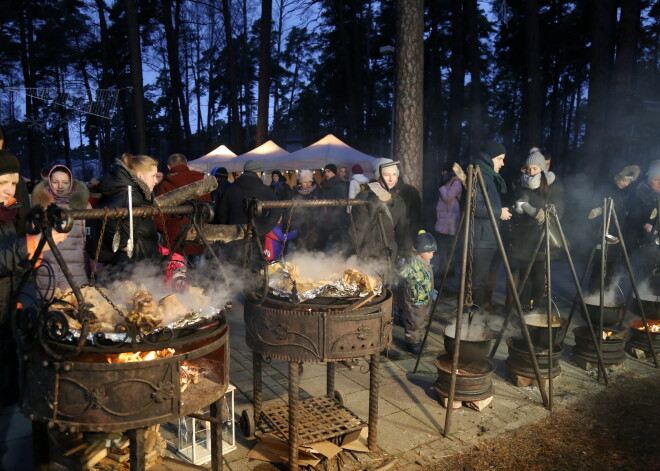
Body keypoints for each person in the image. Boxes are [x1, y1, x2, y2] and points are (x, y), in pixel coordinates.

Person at [0, 150, 68, 406]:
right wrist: (29, 246)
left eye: (14, 183)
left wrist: (33, 255)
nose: (10, 191)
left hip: (10, 309)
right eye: (2, 183)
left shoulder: (6, 214)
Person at [509, 147, 563, 311]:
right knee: (525, 276)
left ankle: (537, 310)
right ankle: (524, 311)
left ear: (542, 169)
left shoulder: (552, 186)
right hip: (523, 238)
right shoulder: (522, 184)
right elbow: (515, 206)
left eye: (535, 168)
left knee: (539, 276)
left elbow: (558, 212)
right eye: (529, 168)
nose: (531, 172)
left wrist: (535, 212)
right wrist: (517, 209)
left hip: (541, 238)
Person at [32, 164, 90, 299]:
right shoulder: (40, 207)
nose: (60, 186)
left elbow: (89, 236)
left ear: (71, 183)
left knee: (76, 311)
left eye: (65, 182)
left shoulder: (83, 206)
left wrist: (92, 265)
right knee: (49, 314)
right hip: (46, 273)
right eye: (55, 182)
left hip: (76, 272)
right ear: (49, 182)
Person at [96, 154, 160, 265]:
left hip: (138, 261)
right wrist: (122, 245)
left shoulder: (137, 194)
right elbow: (109, 217)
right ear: (140, 175)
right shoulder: (131, 195)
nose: (156, 181)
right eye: (153, 176)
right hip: (132, 263)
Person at [471, 140, 512, 312]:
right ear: (490, 158)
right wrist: (499, 212)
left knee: (482, 280)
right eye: (500, 159)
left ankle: (478, 317)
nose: (503, 163)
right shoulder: (479, 175)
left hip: (487, 237)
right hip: (480, 239)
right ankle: (474, 319)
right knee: (477, 282)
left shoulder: (489, 176)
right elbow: (475, 207)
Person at [587, 162, 640, 293]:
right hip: (604, 233)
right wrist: (600, 210)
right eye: (624, 180)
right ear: (618, 176)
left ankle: (606, 293)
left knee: (612, 266)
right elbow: (593, 210)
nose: (626, 183)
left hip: (618, 234)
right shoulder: (606, 189)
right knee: (600, 265)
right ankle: (593, 294)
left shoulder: (625, 193)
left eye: (628, 181)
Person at [156, 153, 211, 257]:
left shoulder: (165, 184)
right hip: (199, 235)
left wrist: (162, 231)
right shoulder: (201, 180)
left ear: (169, 167)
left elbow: (160, 217)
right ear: (187, 165)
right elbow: (208, 209)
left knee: (178, 270)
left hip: (175, 238)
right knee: (200, 271)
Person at [398, 230, 436, 354]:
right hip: (414, 299)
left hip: (425, 297)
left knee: (424, 319)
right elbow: (402, 273)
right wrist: (401, 264)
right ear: (419, 251)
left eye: (433, 252)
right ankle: (412, 342)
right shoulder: (412, 263)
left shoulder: (426, 264)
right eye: (429, 252)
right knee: (414, 322)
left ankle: (419, 338)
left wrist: (432, 291)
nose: (431, 255)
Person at [627, 160, 660, 295]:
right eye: (657, 179)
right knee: (642, 274)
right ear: (650, 180)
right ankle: (639, 300)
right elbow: (632, 216)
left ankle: (654, 302)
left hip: (657, 243)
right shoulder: (639, 195)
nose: (659, 183)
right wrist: (643, 223)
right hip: (642, 242)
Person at [434, 163, 462, 277]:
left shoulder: (456, 183)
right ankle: (443, 269)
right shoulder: (448, 183)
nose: (442, 174)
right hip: (443, 221)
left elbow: (448, 198)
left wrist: (442, 187)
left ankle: (449, 270)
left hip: (450, 222)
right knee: (441, 248)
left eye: (444, 172)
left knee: (449, 248)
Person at [319, 163, 349, 251]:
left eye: (328, 171)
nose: (326, 174)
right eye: (325, 172)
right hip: (325, 218)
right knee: (320, 242)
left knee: (340, 244)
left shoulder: (340, 185)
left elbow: (342, 203)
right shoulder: (325, 184)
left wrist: (334, 217)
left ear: (334, 173)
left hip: (337, 220)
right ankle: (318, 259)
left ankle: (343, 261)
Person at [291, 169, 322, 252]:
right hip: (300, 223)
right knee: (301, 245)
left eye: (309, 182)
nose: (308, 184)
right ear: (300, 183)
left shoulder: (317, 191)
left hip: (314, 222)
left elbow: (320, 208)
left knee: (312, 245)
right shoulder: (295, 192)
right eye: (305, 182)